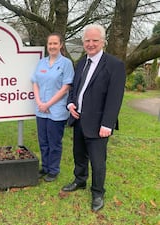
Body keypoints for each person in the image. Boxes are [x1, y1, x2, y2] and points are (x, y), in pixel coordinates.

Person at [61, 24, 126, 212]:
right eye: (87, 40)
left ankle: (98, 192)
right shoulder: (82, 62)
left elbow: (115, 98)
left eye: (95, 40)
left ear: (103, 41)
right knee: (79, 154)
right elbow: (75, 88)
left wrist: (108, 123)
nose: (90, 44)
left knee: (98, 161)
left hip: (99, 124)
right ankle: (80, 181)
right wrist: (70, 103)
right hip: (79, 118)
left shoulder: (115, 65)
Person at [31, 33, 74, 182]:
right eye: (50, 44)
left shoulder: (66, 63)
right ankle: (45, 167)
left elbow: (66, 87)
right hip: (41, 109)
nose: (52, 46)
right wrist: (39, 102)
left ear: (61, 45)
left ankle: (54, 170)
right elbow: (35, 82)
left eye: (55, 43)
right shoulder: (42, 62)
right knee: (43, 141)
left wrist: (48, 104)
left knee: (54, 142)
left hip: (56, 110)